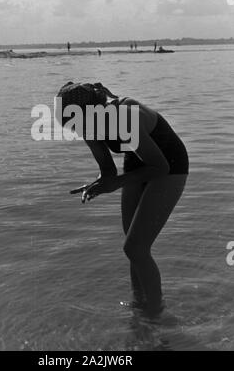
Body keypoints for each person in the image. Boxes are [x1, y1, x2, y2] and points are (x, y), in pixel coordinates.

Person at [56, 81, 189, 316]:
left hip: (169, 164)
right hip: (137, 161)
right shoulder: (88, 126)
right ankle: (140, 305)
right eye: (71, 124)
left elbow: (160, 167)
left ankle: (155, 313)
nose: (76, 130)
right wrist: (100, 183)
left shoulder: (125, 117)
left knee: (135, 248)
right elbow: (108, 171)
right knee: (133, 247)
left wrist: (115, 184)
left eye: (77, 122)